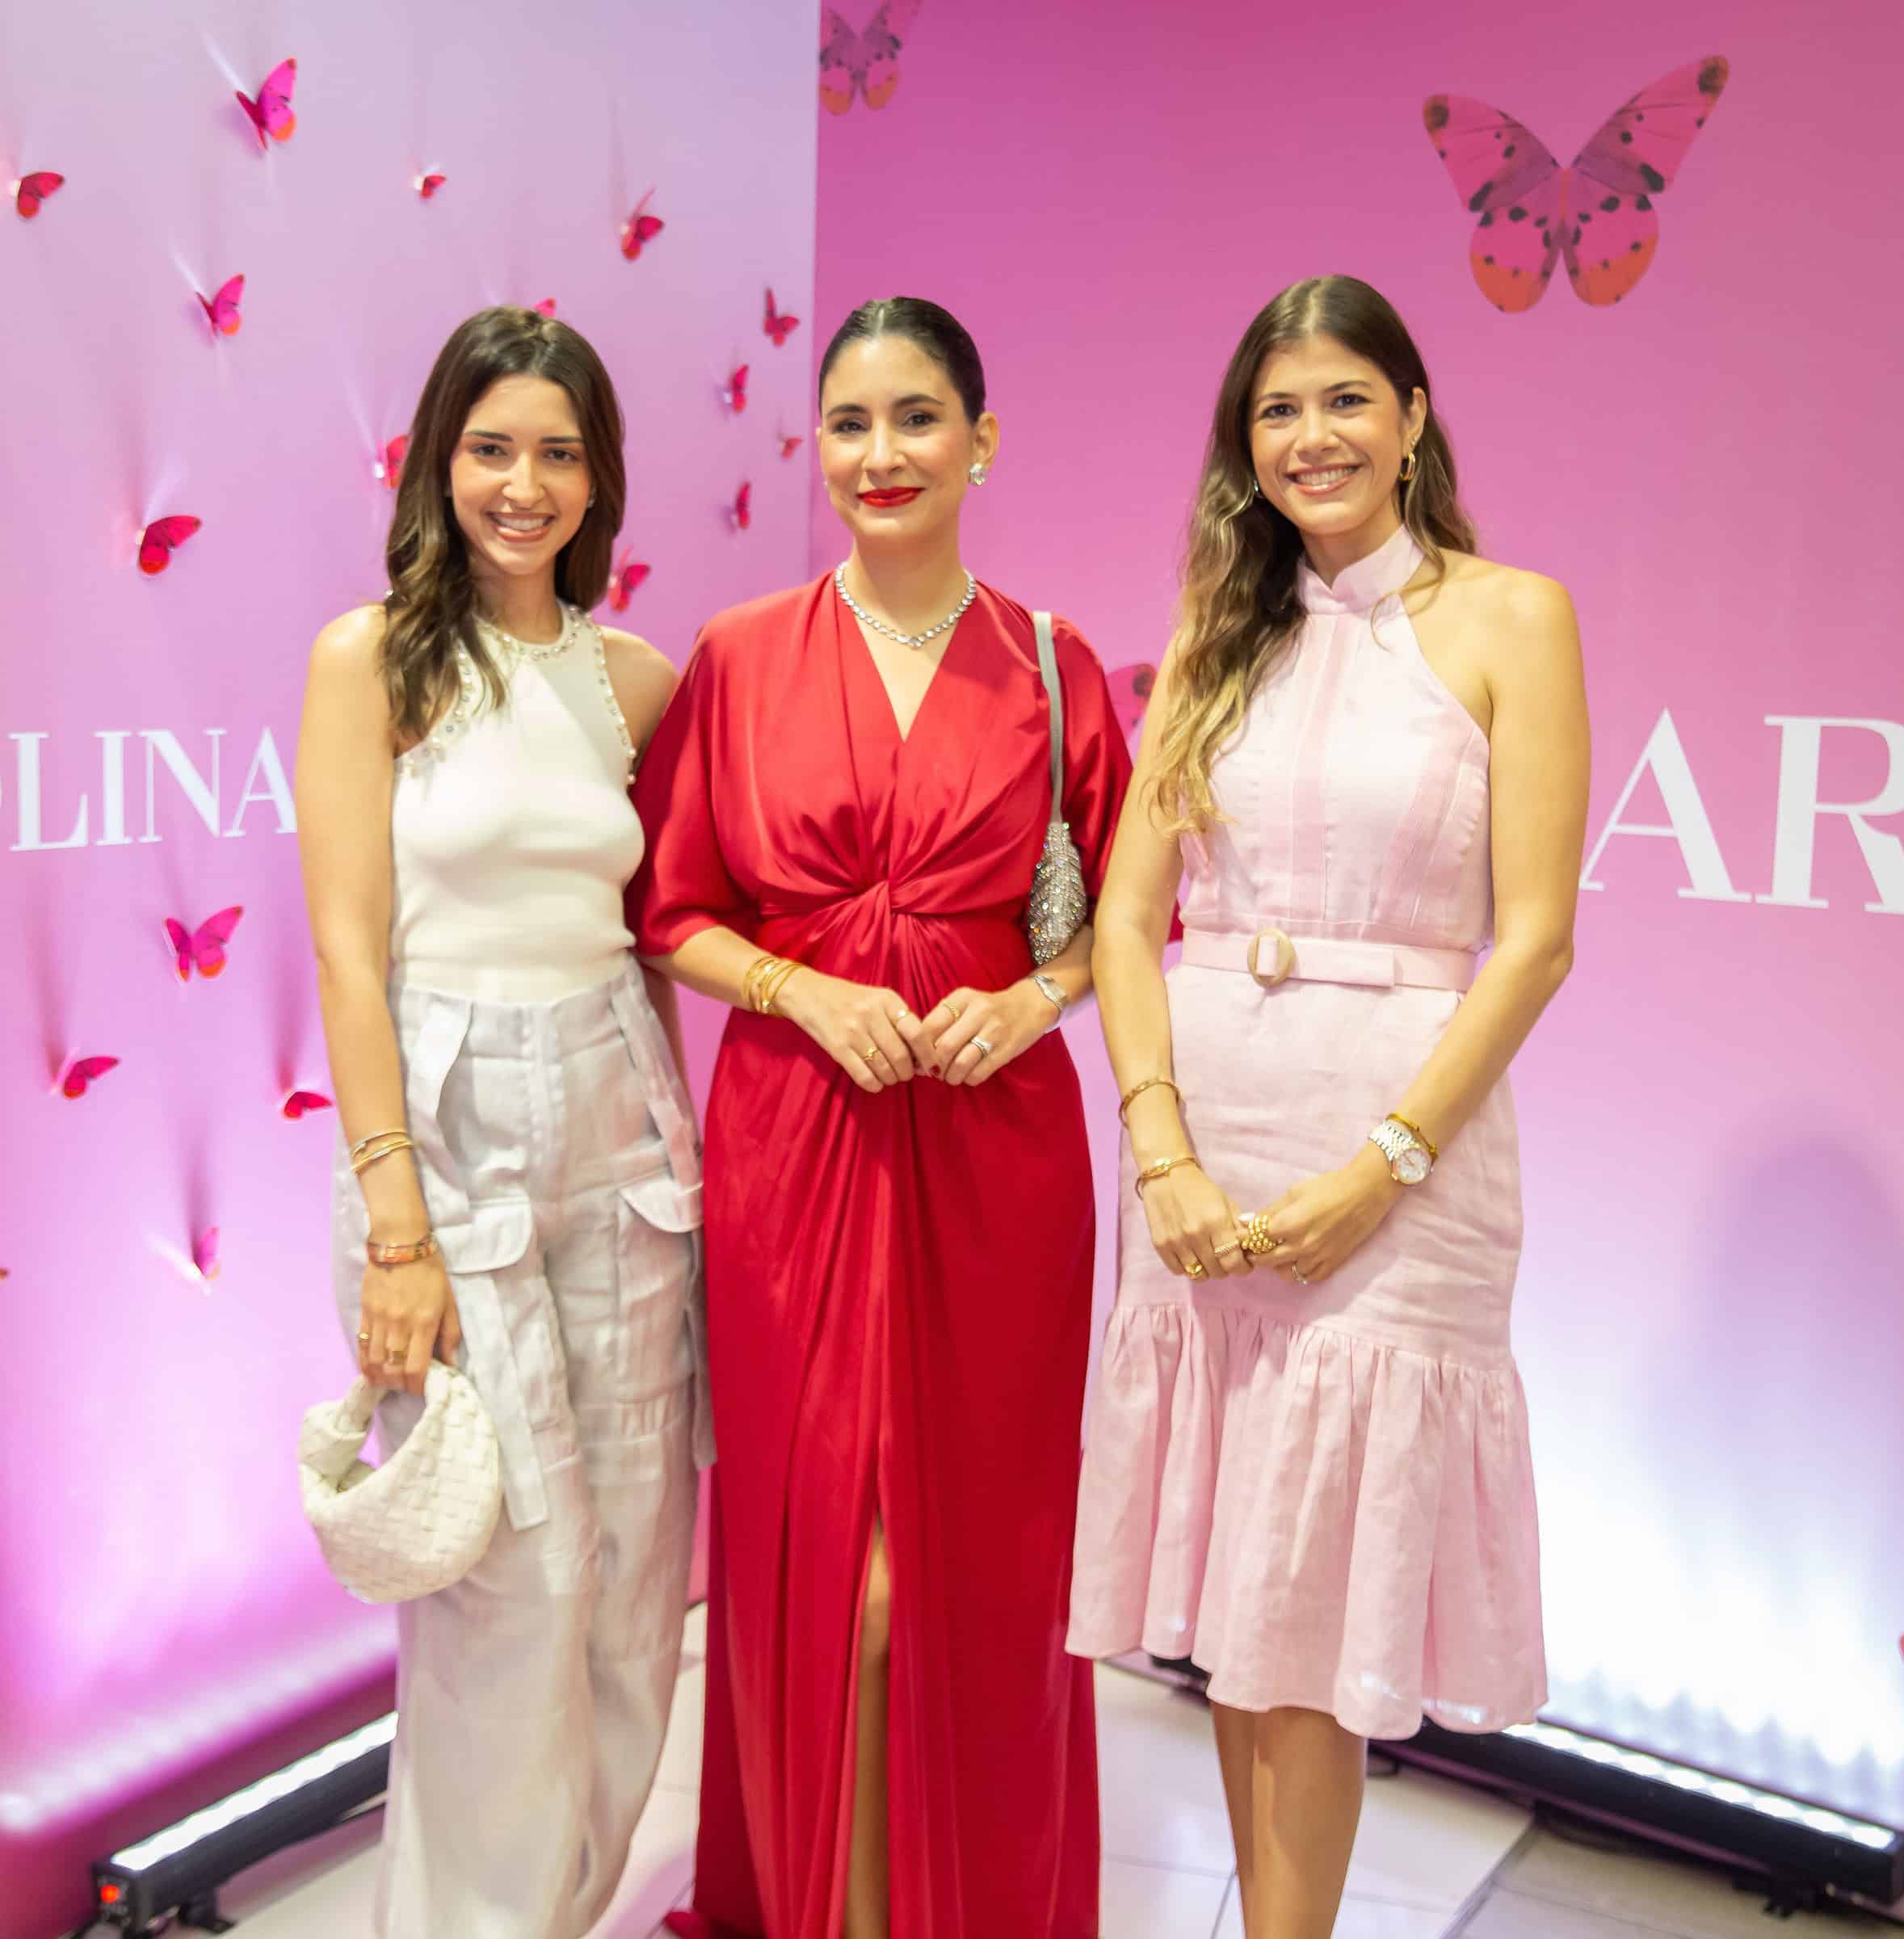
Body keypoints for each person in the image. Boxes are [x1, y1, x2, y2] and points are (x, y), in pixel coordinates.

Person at [1070, 274, 1588, 1939]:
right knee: (1238, 1594)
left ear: (1415, 416)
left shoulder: (1516, 617)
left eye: (1346, 399)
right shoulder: (1223, 628)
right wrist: (1155, 1143)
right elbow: (1124, 917)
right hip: (1207, 1153)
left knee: (1312, 1609)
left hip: (1400, 1162)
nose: (1313, 437)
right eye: (1279, 410)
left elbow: (1536, 941)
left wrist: (1390, 1163)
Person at [633, 297, 1127, 1939]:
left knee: (968, 1586)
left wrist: (1033, 1000)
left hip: (999, 1165)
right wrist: (798, 991)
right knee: (833, 1585)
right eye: (848, 423)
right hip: (793, 1151)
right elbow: (676, 906)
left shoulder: (1055, 668)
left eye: (917, 418)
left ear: (983, 440)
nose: (880, 454)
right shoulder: (740, 655)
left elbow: (1116, 921)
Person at [292, 305, 705, 1938]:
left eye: (556, 452)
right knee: (504, 1586)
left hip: (622, 1124)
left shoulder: (635, 678)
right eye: (489, 448)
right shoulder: (370, 659)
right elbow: (344, 945)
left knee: (623, 1586)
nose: (521, 484)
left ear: (599, 480)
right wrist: (398, 1225)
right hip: (446, 1141)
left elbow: (659, 937)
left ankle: (556, 1915)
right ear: (436, 459)